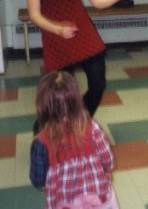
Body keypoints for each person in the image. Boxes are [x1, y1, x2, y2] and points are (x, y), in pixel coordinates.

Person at [29, 71, 117, 209]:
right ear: (77, 100)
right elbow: (107, 157)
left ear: (42, 106)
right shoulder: (92, 127)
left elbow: (37, 179)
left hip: (64, 201)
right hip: (97, 197)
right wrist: (107, 171)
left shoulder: (41, 142)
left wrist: (46, 183)